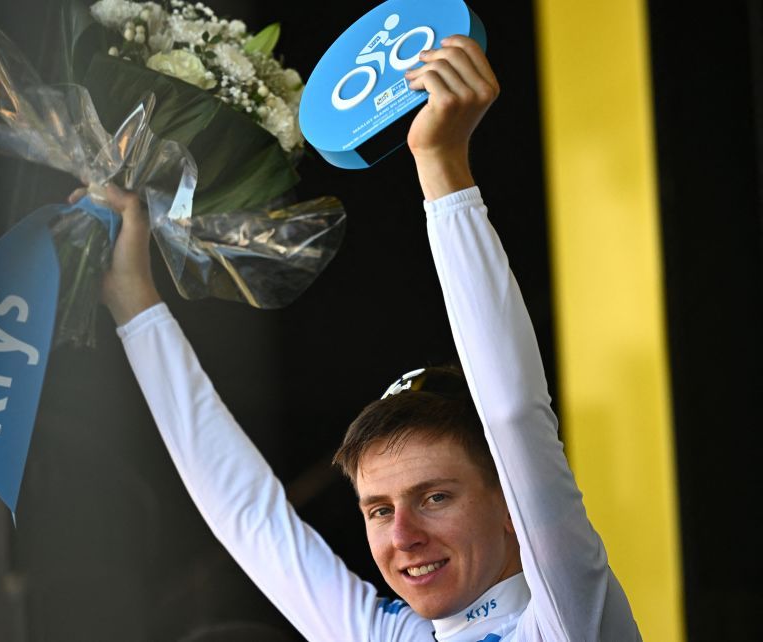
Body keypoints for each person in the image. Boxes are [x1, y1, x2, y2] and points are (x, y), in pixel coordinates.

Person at [74, 35, 641, 642]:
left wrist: (441, 166)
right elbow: (247, 516)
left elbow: (511, 413)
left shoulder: (566, 620)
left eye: (435, 497)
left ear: (512, 505)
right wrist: (133, 300)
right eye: (378, 509)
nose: (402, 537)